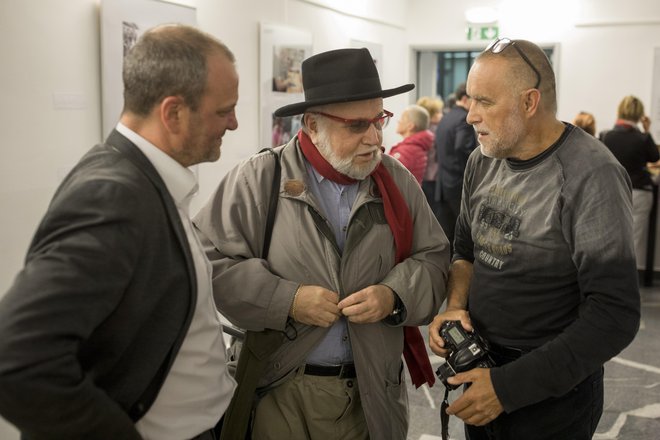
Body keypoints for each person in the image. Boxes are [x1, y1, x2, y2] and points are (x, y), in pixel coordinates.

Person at [194, 47, 449, 439]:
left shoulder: (395, 180)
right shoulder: (260, 178)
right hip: (280, 393)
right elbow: (211, 264)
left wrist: (393, 295)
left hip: (372, 394)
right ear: (312, 124)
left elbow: (433, 259)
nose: (375, 138)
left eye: (379, 121)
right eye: (356, 125)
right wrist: (288, 300)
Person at [0, 24, 239, 440]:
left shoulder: (143, 181)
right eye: (223, 110)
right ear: (173, 113)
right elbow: (16, 359)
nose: (234, 124)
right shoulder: (114, 197)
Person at [428, 38, 640, 440]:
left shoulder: (591, 173)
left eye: (485, 102)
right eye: (470, 100)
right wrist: (455, 307)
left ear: (529, 102)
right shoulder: (482, 159)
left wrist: (508, 389)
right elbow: (466, 251)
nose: (470, 115)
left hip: (552, 396)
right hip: (482, 369)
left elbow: (615, 313)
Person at [601, 95, 659, 268]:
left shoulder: (606, 136)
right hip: (639, 192)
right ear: (640, 115)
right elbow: (655, 156)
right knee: (633, 242)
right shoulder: (643, 138)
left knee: (609, 239)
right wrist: (647, 131)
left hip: (611, 191)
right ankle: (628, 289)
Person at [434, 82, 478, 251]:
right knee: (463, 236)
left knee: (447, 233)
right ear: (465, 99)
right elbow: (462, 147)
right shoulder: (462, 119)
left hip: (443, 181)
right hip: (458, 182)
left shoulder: (447, 116)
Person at [389, 104, 434, 184]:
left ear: (410, 126)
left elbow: (388, 176)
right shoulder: (416, 147)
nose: (398, 121)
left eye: (402, 118)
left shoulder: (407, 151)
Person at [417, 96, 445, 221]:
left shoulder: (419, 131)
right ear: (430, 114)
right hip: (432, 177)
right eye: (438, 112)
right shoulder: (434, 132)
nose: (441, 114)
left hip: (425, 177)